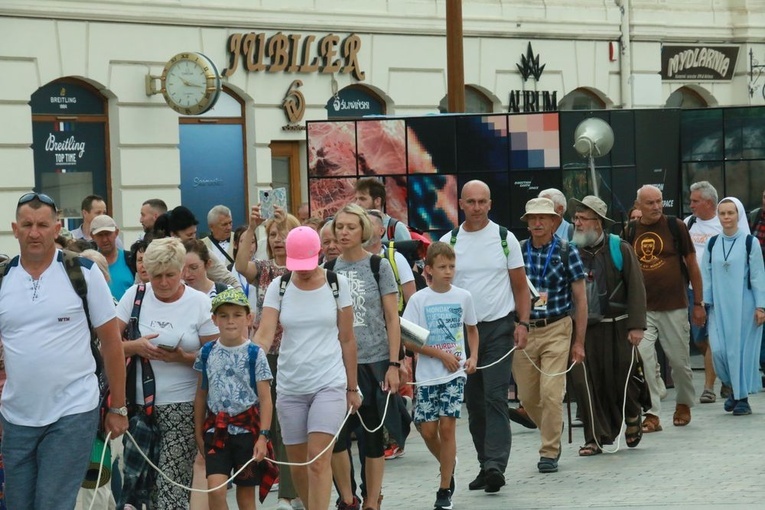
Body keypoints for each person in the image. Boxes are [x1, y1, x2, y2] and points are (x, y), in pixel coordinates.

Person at [0, 192, 128, 509]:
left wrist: (119, 408)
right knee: (18, 504)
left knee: (52, 502)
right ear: (15, 229)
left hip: (72, 411)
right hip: (17, 417)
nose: (34, 232)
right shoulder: (4, 279)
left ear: (57, 228)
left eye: (42, 224)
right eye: (27, 224)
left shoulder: (83, 273)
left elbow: (112, 343)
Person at [254, 226, 361, 510]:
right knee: (298, 465)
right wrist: (250, 356)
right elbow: (264, 333)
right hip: (290, 385)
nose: (302, 270)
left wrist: (352, 387)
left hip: (329, 382)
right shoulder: (280, 286)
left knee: (317, 459)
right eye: (296, 264)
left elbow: (348, 339)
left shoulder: (337, 284)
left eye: (308, 263)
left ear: (320, 254)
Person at [439, 180, 530, 493]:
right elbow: (440, 289)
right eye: (471, 202)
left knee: (494, 396)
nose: (476, 207)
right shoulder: (449, 241)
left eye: (482, 202)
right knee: (474, 403)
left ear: (490, 204)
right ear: (461, 204)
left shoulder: (505, 239)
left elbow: (520, 286)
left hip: (498, 328)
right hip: (462, 331)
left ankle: (495, 464)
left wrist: (523, 323)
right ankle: (484, 463)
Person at [116, 237, 219, 509]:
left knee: (172, 485)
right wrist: (134, 346)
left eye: (170, 275)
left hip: (183, 407)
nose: (162, 283)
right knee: (138, 488)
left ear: (182, 271)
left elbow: (217, 356)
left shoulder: (199, 302)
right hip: (138, 409)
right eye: (156, 276)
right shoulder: (135, 295)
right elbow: (108, 345)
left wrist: (183, 357)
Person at [327, 203, 401, 510]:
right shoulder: (328, 269)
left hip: (375, 361)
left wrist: (395, 364)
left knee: (372, 437)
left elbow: (392, 317)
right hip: (339, 364)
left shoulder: (378, 265)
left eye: (350, 227)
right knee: (337, 437)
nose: (343, 232)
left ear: (363, 231)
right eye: (339, 227)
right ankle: (347, 498)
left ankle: (372, 500)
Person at [567, 196, 650, 456]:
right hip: (583, 331)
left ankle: (632, 413)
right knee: (587, 385)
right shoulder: (569, 251)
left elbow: (636, 287)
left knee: (623, 381)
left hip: (618, 327)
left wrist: (636, 326)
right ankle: (594, 438)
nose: (577, 223)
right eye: (576, 218)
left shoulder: (620, 248)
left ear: (598, 223)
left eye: (583, 219)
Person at [235, 206, 304, 510]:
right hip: (266, 354)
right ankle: (283, 485)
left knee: (290, 425)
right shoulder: (263, 269)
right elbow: (240, 265)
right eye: (273, 234)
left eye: (284, 233)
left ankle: (292, 491)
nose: (278, 239)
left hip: (295, 353)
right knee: (271, 424)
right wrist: (251, 227)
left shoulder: (303, 270)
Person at [401, 242, 478, 510]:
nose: (448, 272)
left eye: (452, 267)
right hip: (428, 375)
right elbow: (408, 339)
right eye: (442, 267)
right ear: (429, 270)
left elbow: (472, 329)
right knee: (427, 429)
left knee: (447, 426)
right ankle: (448, 462)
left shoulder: (463, 296)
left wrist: (473, 357)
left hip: (454, 375)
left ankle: (444, 488)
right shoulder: (419, 300)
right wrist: (438, 354)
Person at [513, 197, 586, 473]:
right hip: (524, 329)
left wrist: (579, 342)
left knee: (552, 393)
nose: (538, 223)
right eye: (532, 219)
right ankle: (553, 425)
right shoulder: (517, 251)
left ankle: (549, 451)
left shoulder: (568, 251)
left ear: (555, 221)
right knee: (529, 397)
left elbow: (581, 300)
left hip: (557, 327)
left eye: (543, 218)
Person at [624, 185, 702, 433]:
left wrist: (698, 303)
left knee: (679, 363)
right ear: (638, 206)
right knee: (645, 361)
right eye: (650, 203)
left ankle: (683, 403)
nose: (657, 207)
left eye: (659, 202)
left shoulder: (675, 226)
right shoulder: (631, 230)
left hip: (674, 305)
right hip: (642, 310)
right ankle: (652, 413)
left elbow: (692, 265)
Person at [193, 288, 274, 510]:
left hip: (247, 433)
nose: (230, 321)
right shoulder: (207, 352)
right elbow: (201, 394)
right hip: (215, 432)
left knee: (246, 496)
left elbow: (266, 400)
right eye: (224, 316)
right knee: (215, 489)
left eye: (237, 315)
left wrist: (263, 437)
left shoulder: (255, 354)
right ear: (214, 319)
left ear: (249, 318)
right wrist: (198, 432)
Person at [702, 197, 765, 416]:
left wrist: (761, 306)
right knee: (719, 351)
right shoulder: (712, 243)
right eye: (723, 213)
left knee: (739, 353)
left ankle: (741, 399)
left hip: (744, 307)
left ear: (738, 215)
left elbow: (758, 276)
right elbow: (706, 275)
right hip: (719, 307)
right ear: (718, 216)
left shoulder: (750, 242)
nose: (726, 217)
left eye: (731, 213)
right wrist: (705, 303)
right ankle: (734, 390)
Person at [685, 181, 725, 403]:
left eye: (695, 201)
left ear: (709, 203)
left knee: (712, 338)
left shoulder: (723, 224)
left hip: (719, 292)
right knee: (700, 339)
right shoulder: (688, 224)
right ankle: (724, 375)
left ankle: (708, 387)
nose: (691, 205)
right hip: (693, 292)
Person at [157, 205, 240, 289]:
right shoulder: (162, 254)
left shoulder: (200, 250)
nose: (193, 238)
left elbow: (226, 277)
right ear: (173, 235)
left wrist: (240, 298)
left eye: (194, 233)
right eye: (189, 235)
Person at [91, 214, 135, 300]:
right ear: (92, 236)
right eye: (100, 235)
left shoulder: (131, 260)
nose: (104, 239)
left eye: (108, 234)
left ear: (116, 233)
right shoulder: (90, 263)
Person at [354, 178, 411, 242]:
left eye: (362, 199)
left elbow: (407, 251)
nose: (357, 204)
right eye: (356, 199)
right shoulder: (355, 227)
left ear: (377, 201)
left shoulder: (397, 229)